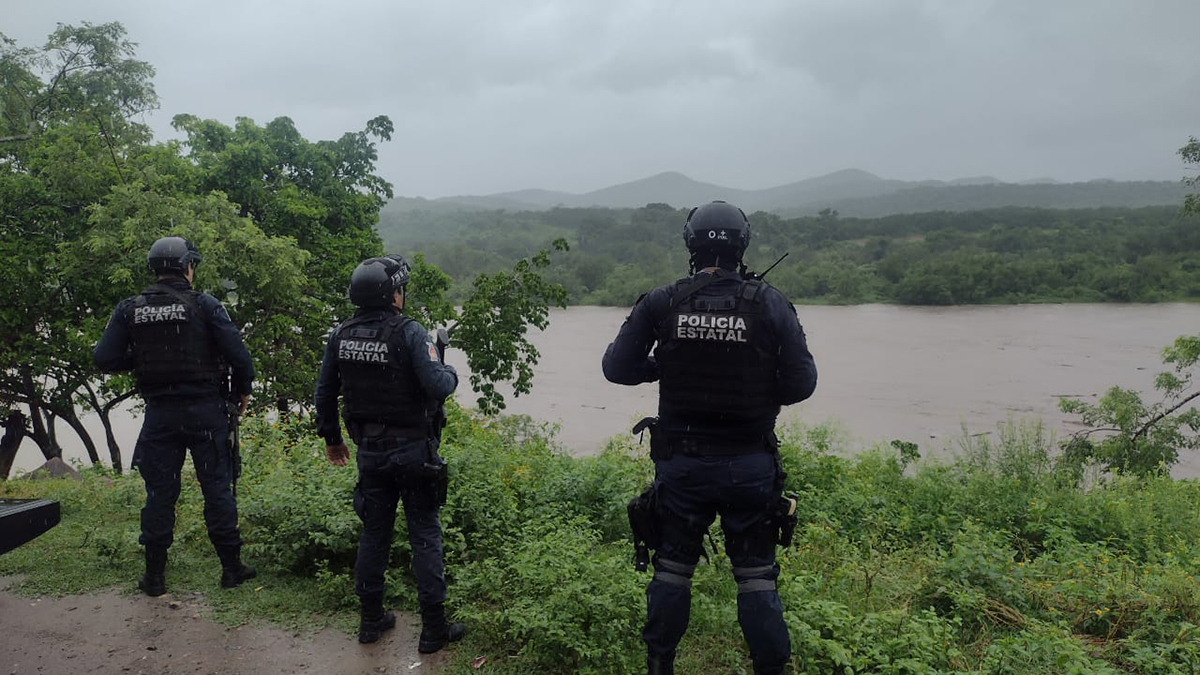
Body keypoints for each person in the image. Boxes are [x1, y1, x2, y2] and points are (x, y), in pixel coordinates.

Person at [603, 201, 818, 675]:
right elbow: (802, 383)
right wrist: (761, 383)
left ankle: (659, 665)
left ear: (690, 244)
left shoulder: (663, 301)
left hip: (683, 467)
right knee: (756, 578)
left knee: (673, 570)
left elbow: (616, 368)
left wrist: (661, 366)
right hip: (750, 466)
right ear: (743, 245)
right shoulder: (769, 302)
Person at [314, 254, 466, 652]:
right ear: (394, 294)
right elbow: (438, 385)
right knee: (425, 535)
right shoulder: (411, 333)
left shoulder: (340, 335)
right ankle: (434, 629)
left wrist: (332, 439)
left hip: (370, 453)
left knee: (375, 533)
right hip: (415, 452)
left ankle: (370, 621)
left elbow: (325, 392)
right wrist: (447, 366)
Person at [93, 235, 256, 597]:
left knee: (160, 493)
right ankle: (231, 569)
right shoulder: (207, 305)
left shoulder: (130, 309)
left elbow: (103, 358)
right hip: (206, 413)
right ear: (188, 268)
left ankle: (154, 577)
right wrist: (240, 394)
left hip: (160, 415)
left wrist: (141, 359)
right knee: (217, 490)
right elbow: (241, 359)